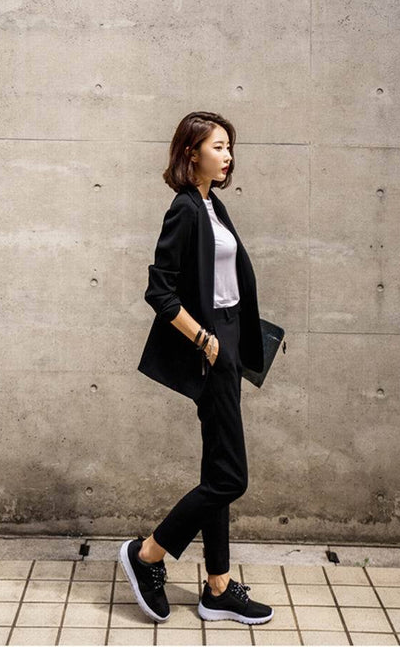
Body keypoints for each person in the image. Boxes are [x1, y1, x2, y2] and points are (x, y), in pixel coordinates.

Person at [119, 111, 274, 626]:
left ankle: (218, 587)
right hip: (211, 348)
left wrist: (231, 339)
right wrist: (206, 341)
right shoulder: (185, 208)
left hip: (228, 340)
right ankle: (148, 554)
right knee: (231, 477)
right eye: (218, 147)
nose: (227, 156)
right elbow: (159, 290)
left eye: (229, 147)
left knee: (217, 470)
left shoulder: (213, 204)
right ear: (192, 153)